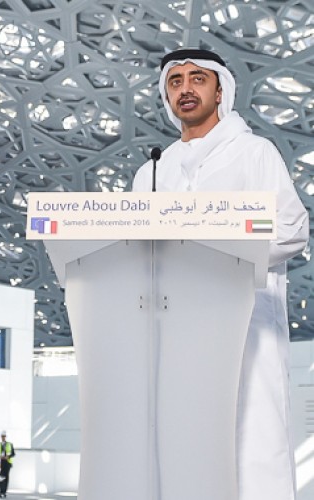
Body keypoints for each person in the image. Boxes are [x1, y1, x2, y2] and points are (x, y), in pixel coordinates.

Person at [132, 48, 309, 500]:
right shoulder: (153, 172)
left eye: (197, 79)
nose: (185, 89)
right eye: (175, 82)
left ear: (220, 90)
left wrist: (217, 254)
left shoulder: (254, 153)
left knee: (252, 438)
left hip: (246, 323)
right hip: (175, 327)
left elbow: (292, 230)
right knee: (180, 440)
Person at [0, 431, 15, 498]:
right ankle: (1, 492)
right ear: (1, 437)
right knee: (0, 478)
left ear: (5, 437)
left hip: (7, 463)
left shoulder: (10, 444)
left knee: (6, 478)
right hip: (0, 463)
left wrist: (8, 457)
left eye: (4, 436)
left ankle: (4, 492)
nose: (3, 437)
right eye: (2, 436)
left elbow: (13, 453)